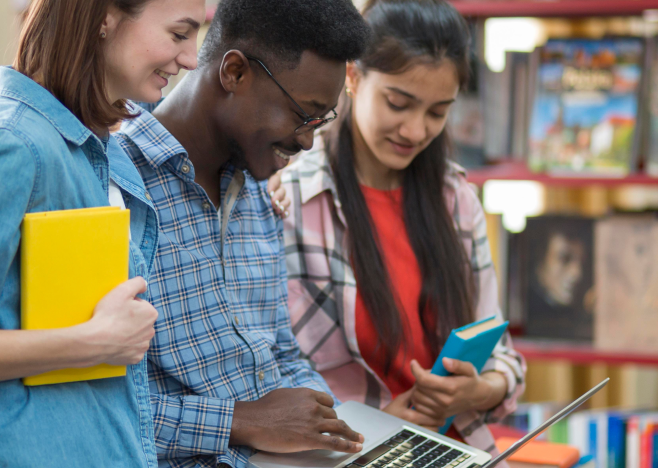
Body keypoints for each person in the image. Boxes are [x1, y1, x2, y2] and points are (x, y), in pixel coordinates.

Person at [0, 0, 204, 466]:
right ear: (105, 16)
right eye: (179, 33)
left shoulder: (97, 151)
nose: (190, 58)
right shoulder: (13, 145)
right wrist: (92, 342)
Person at [113, 0, 369, 466]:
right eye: (304, 114)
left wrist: (323, 422)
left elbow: (283, 354)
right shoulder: (111, 187)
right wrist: (240, 420)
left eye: (322, 121)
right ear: (234, 72)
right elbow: (92, 407)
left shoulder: (258, 195)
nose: (307, 140)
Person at [277, 0, 526, 462]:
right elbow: (272, 375)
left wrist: (476, 391)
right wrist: (375, 424)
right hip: (351, 453)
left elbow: (505, 357)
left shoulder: (457, 200)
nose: (415, 130)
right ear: (352, 77)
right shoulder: (293, 200)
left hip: (457, 449)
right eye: (398, 103)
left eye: (438, 112)